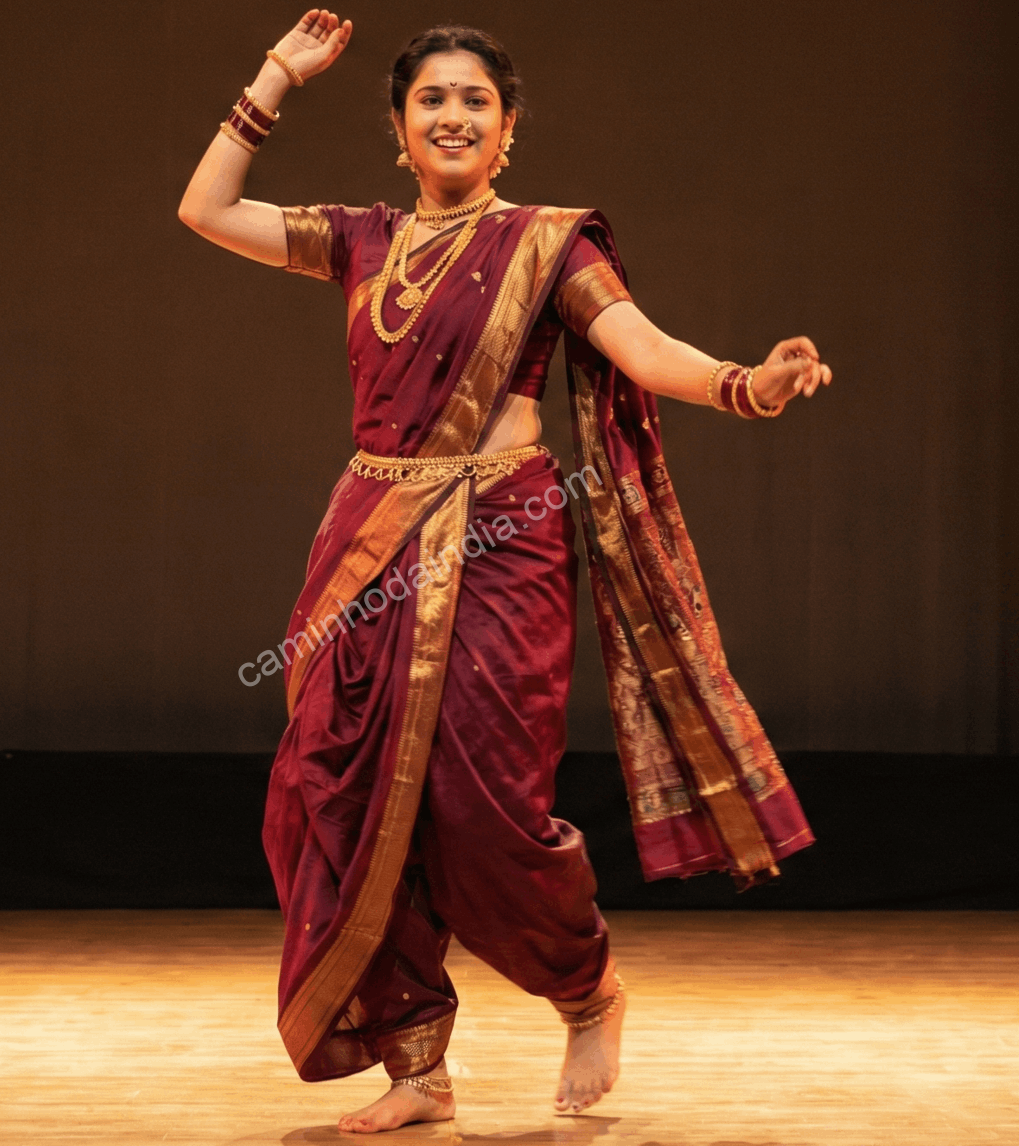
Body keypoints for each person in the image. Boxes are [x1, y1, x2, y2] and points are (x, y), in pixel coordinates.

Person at [179, 9, 831, 1134]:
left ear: (508, 129)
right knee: (331, 795)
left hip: (503, 535)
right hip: (372, 537)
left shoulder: (548, 244)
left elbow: (641, 348)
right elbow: (206, 210)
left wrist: (742, 383)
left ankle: (587, 990)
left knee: (485, 811)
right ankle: (418, 1067)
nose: (452, 114)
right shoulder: (361, 238)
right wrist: (274, 78)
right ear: (397, 127)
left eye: (475, 99)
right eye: (430, 98)